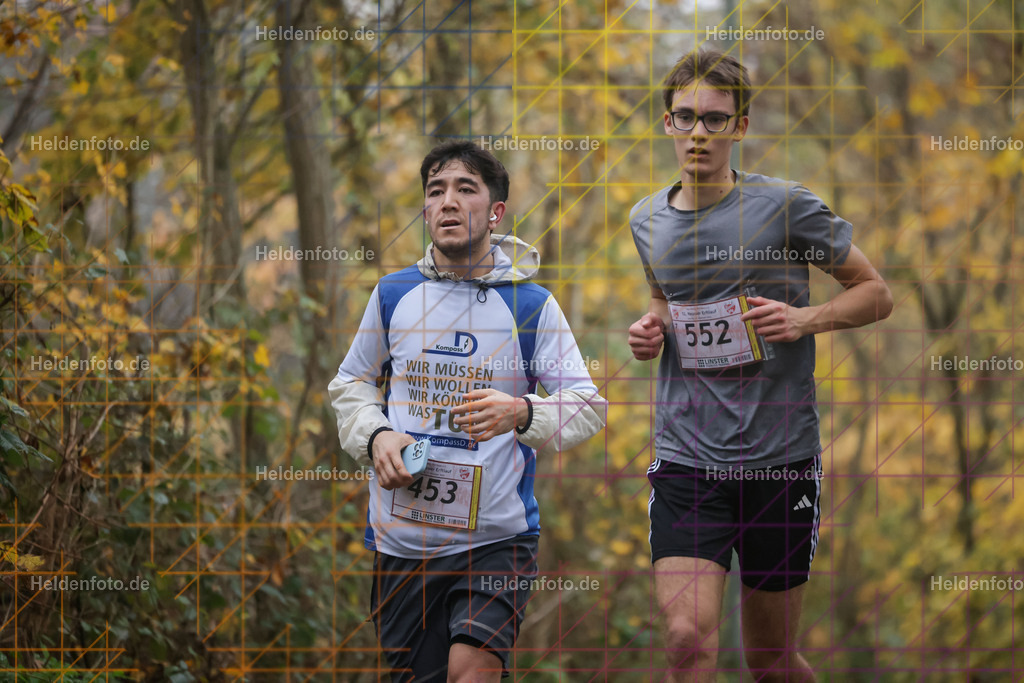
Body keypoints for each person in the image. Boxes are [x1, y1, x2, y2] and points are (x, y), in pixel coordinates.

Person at [627, 48, 892, 682]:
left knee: (769, 662)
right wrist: (651, 328)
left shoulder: (784, 205)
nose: (698, 132)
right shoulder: (646, 219)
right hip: (688, 459)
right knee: (688, 639)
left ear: (740, 127)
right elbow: (665, 298)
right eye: (685, 117)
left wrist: (807, 319)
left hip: (781, 460)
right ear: (667, 123)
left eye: (716, 119)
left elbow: (876, 294)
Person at [330, 140, 607, 682]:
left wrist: (523, 412)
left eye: (465, 189)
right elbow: (351, 383)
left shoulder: (530, 305)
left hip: (496, 541)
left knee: (471, 673)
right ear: (426, 209)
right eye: (436, 191)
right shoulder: (392, 295)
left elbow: (588, 406)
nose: (448, 202)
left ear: (495, 211)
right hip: (404, 540)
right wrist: (377, 436)